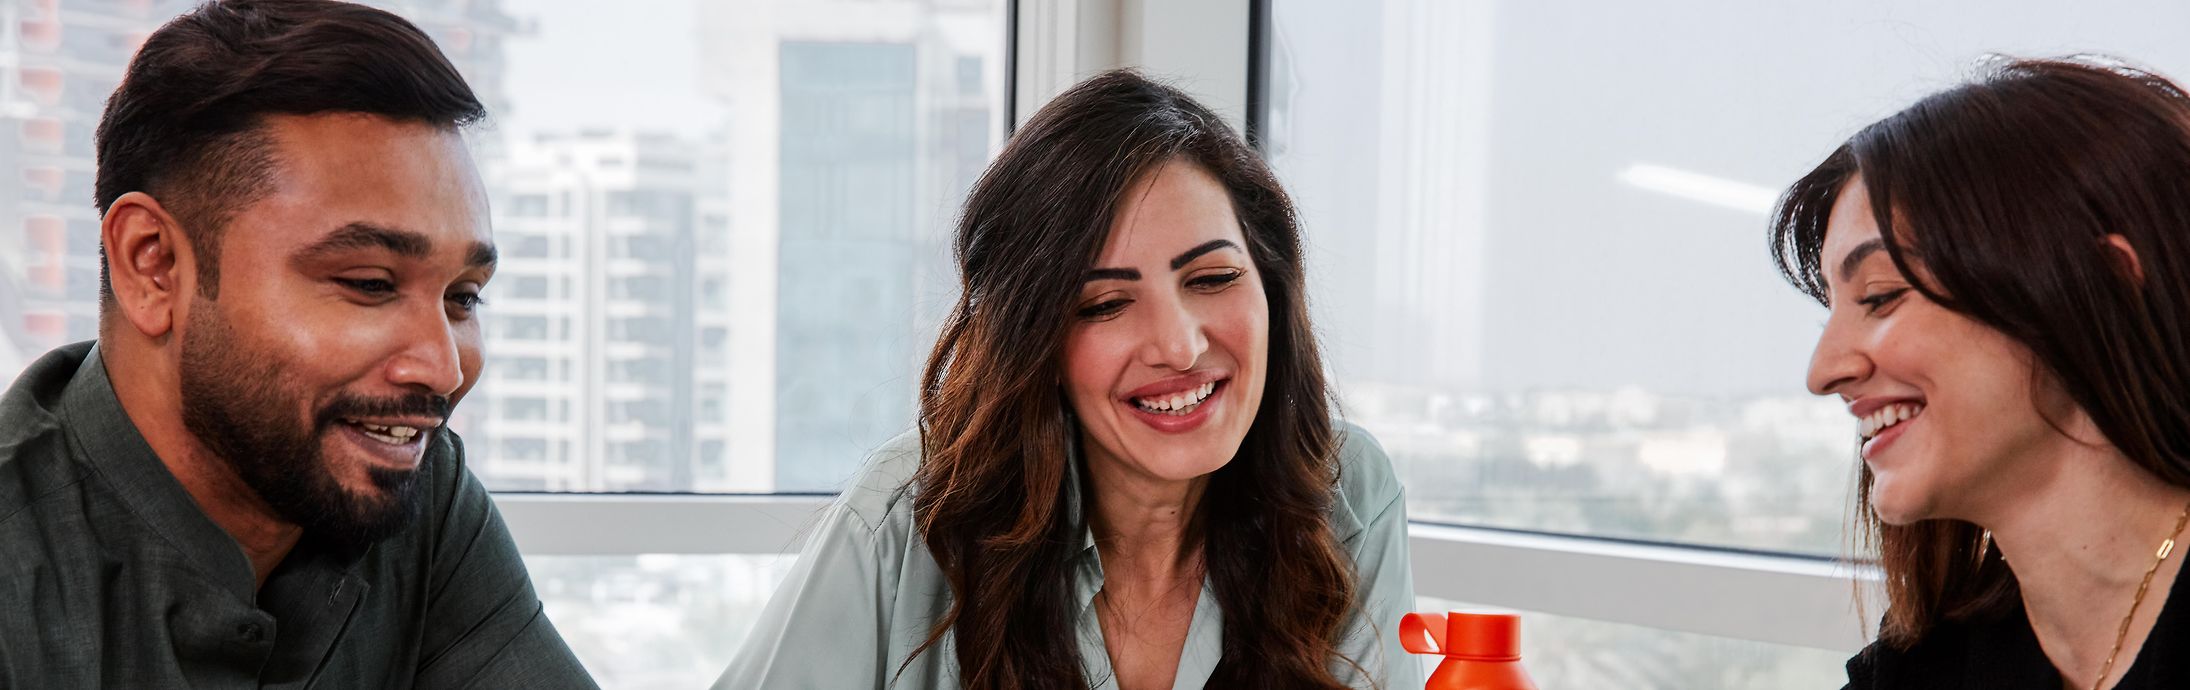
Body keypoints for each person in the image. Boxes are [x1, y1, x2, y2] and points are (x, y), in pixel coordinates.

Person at [718, 70, 1419, 689]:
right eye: (1105, 304)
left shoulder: (1345, 490)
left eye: (1213, 279)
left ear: (1270, 286)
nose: (1179, 345)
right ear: (1036, 341)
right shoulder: (904, 520)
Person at [0, 1, 597, 687]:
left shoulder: (420, 501)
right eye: (370, 283)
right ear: (154, 264)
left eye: (462, 297)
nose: (442, 366)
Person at [1771, 56, 2190, 689]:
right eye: (1831, 311)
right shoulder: (1925, 663)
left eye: (1881, 296)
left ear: (2098, 292)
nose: (1824, 371)